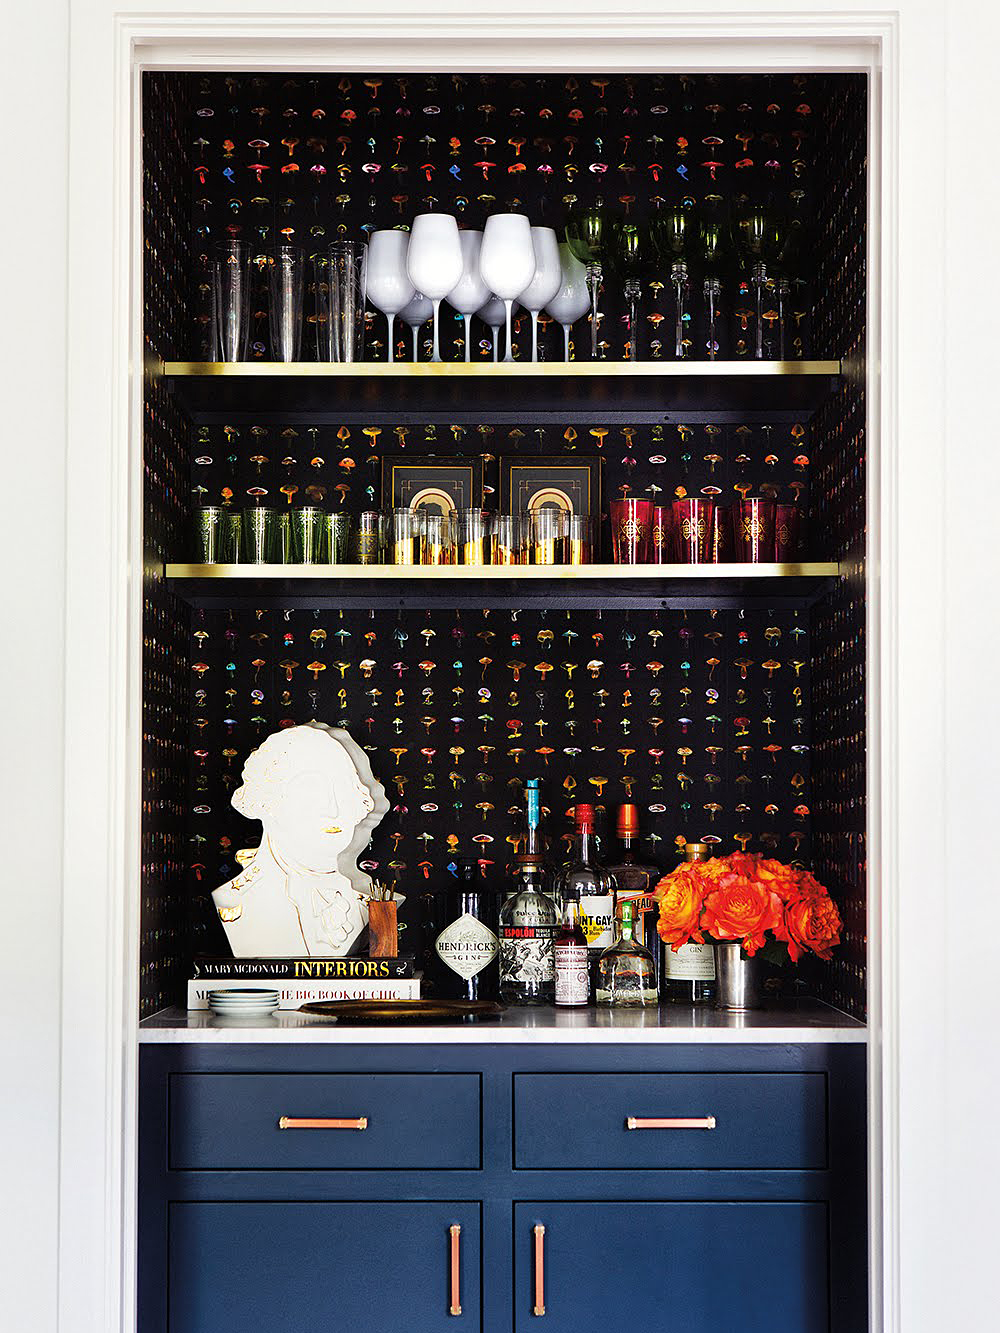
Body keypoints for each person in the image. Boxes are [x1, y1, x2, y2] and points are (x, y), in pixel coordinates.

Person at [211, 723, 385, 957]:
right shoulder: (235, 902)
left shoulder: (377, 903)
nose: (333, 810)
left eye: (343, 790)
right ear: (267, 801)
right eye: (312, 790)